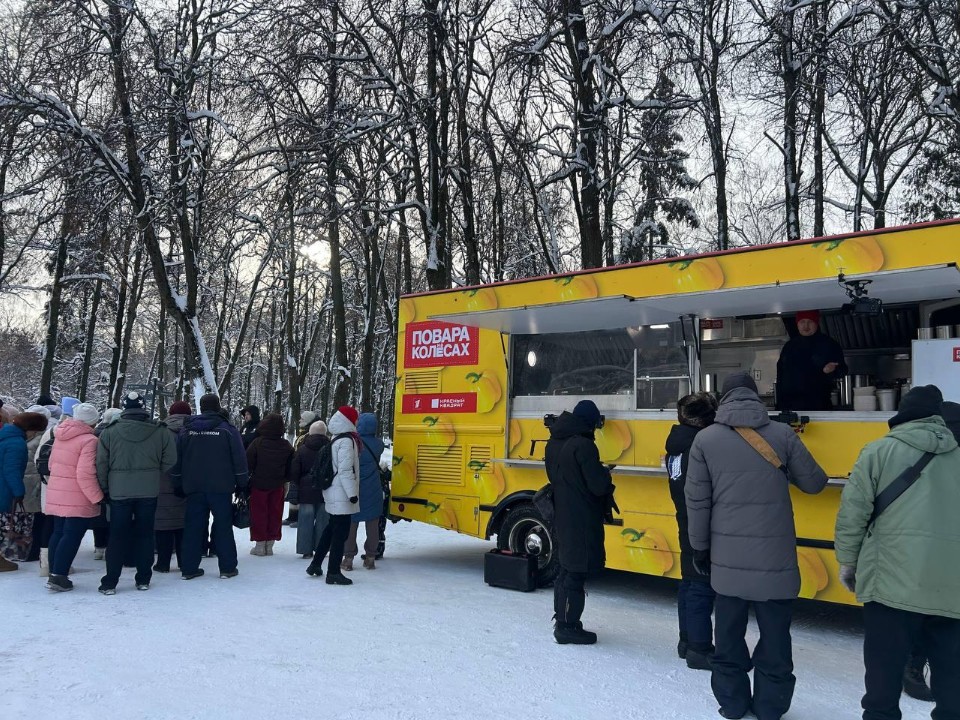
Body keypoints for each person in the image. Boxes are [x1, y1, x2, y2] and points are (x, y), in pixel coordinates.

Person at [686, 372, 828, 720]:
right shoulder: (782, 434)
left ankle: (733, 704)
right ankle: (770, 706)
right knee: (776, 637)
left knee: (729, 636)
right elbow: (815, 483)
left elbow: (697, 501)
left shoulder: (705, 439)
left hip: (727, 561)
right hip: (775, 561)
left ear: (724, 399)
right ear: (757, 398)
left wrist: (699, 548)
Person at [834, 385, 960, 720]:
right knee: (952, 670)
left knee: (883, 670)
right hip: (951, 584)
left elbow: (853, 512)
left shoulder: (877, 451)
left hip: (889, 581)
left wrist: (848, 561)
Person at [544, 399, 614, 645]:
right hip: (581, 516)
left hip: (562, 512)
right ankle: (567, 626)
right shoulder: (584, 446)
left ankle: (563, 618)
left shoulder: (554, 442)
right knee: (575, 572)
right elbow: (597, 486)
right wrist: (605, 474)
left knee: (565, 568)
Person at [96, 392, 176, 594]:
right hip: (148, 489)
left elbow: (101, 464)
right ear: (143, 407)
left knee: (117, 535)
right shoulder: (160, 431)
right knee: (145, 534)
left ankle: (110, 582)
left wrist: (106, 487)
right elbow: (170, 459)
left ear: (124, 408)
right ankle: (143, 578)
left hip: (119, 490)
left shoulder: (109, 432)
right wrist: (154, 472)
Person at [665, 391, 719, 670]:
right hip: (700, 520)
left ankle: (686, 641)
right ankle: (699, 648)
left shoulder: (677, 443)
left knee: (688, 581)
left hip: (684, 517)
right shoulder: (698, 447)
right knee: (701, 585)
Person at [170, 393, 248, 580]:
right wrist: (242, 483)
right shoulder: (228, 430)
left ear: (201, 407)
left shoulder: (187, 430)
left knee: (193, 527)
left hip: (193, 486)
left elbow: (177, 459)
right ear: (218, 406)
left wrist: (177, 482)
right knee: (223, 526)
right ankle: (227, 567)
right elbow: (239, 459)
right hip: (221, 487)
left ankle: (189, 568)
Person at [44, 404, 104, 590]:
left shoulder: (60, 435)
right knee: (72, 534)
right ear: (93, 421)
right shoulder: (89, 440)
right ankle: (59, 576)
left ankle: (54, 571)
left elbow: (51, 464)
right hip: (77, 494)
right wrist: (97, 497)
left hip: (57, 490)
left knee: (59, 532)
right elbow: (85, 473)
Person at [306, 406, 361, 585]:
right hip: (342, 494)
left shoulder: (337, 438)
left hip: (333, 491)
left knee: (331, 529)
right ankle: (333, 572)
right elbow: (345, 470)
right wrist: (353, 494)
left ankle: (315, 564)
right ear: (350, 421)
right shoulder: (346, 441)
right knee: (340, 534)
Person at [0, 412, 48, 573]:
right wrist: (19, 491)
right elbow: (11, 470)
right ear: (30, 429)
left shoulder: (4, 436)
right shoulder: (17, 443)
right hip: (4, 488)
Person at [776, 309, 847, 411]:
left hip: (819, 405)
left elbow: (843, 370)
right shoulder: (789, 346)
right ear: (797, 324)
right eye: (802, 322)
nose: (806, 326)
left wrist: (831, 370)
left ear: (816, 323)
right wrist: (779, 406)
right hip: (789, 407)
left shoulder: (828, 344)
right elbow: (780, 375)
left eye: (809, 322)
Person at [246, 412, 293, 556]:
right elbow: (291, 466)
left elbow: (248, 462)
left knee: (259, 513)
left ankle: (260, 545)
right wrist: (286, 480)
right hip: (278, 485)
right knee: (275, 513)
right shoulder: (286, 445)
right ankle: (270, 545)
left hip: (258, 485)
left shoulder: (257, 443)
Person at [343, 412, 385, 571]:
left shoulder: (353, 443)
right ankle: (370, 557)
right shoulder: (379, 444)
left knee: (351, 524)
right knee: (372, 524)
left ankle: (348, 558)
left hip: (355, 488)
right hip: (373, 489)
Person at [154, 400, 191, 573]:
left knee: (163, 524)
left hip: (162, 482)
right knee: (184, 523)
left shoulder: (160, 432)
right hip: (186, 483)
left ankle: (162, 563)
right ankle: (184, 562)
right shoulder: (193, 431)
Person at [290, 420, 330, 559]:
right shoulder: (330, 449)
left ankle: (305, 549)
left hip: (306, 489)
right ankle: (321, 548)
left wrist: (296, 484)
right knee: (323, 520)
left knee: (305, 520)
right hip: (325, 489)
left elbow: (295, 471)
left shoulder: (302, 449)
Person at [20, 405, 51, 563]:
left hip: (24, 483)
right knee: (39, 519)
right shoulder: (43, 439)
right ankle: (34, 551)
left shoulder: (24, 437)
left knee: (27, 520)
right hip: (36, 485)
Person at [90, 408, 121, 561]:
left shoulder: (94, 433)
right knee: (111, 514)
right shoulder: (115, 434)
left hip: (95, 477)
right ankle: (110, 545)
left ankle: (98, 546)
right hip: (111, 478)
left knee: (99, 515)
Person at [285, 410, 318, 527]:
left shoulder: (310, 433)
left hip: (304, 466)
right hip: (297, 464)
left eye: (302, 419)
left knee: (301, 494)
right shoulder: (302, 432)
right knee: (294, 492)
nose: (299, 421)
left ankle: (300, 519)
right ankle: (292, 516)